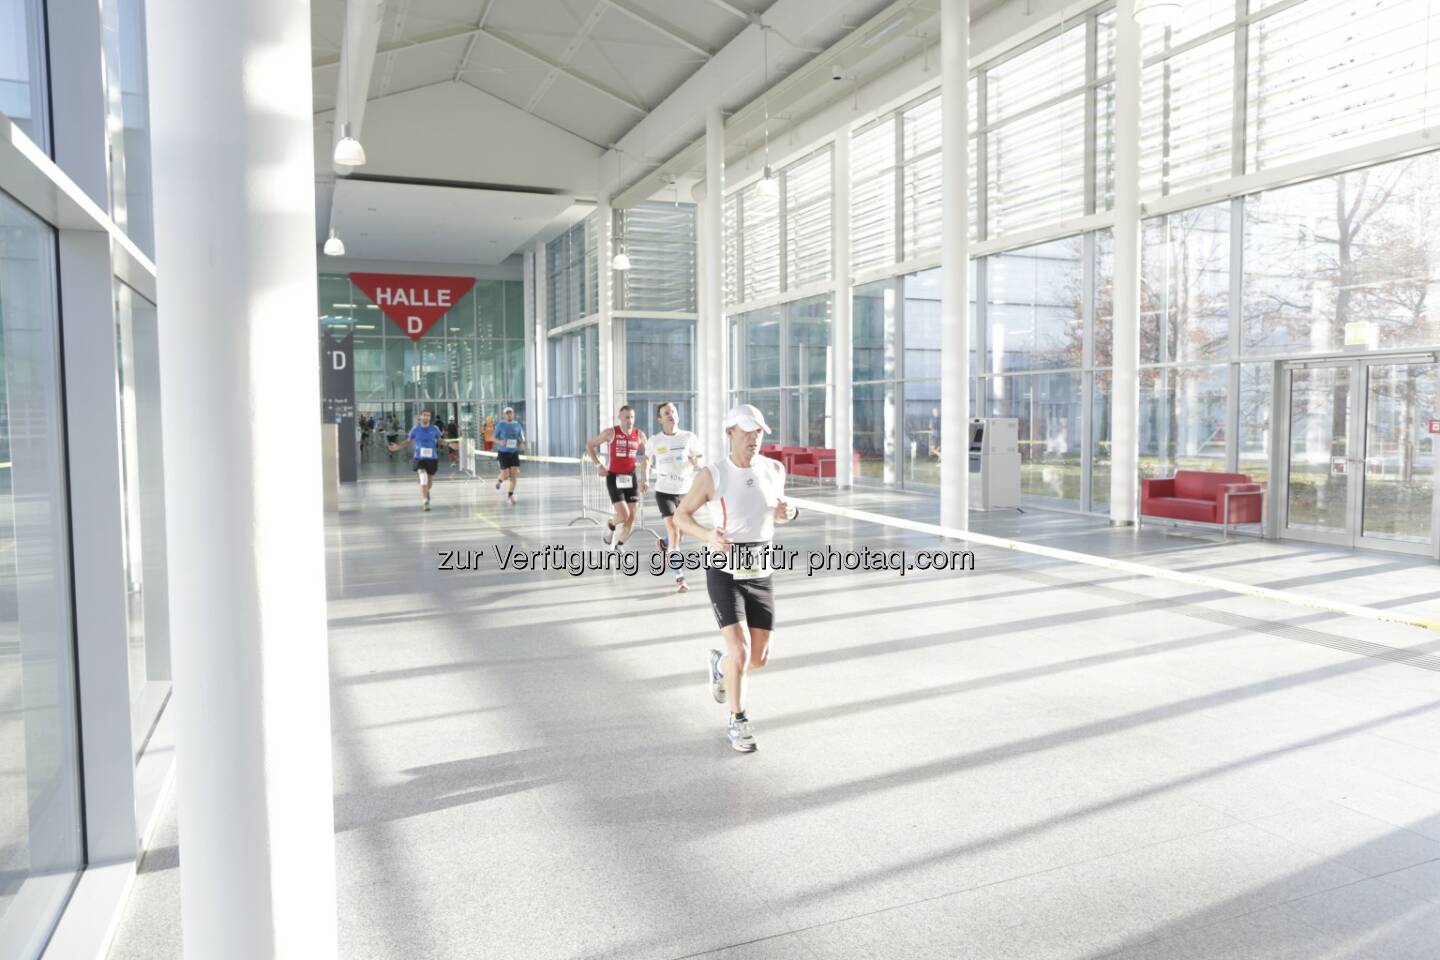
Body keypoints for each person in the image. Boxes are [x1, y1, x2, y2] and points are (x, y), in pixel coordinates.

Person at [672, 404, 797, 753]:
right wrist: (707, 536)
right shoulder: (714, 475)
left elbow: (778, 514)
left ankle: (718, 665)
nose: (754, 439)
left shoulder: (774, 469)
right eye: (747, 431)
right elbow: (681, 516)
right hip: (724, 571)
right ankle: (737, 720)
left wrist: (791, 513)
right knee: (740, 652)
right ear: (729, 433)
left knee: (758, 659)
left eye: (759, 432)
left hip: (761, 572)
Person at [646, 401, 703, 593]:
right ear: (660, 419)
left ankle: (663, 543)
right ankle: (679, 577)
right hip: (664, 491)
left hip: (685, 492)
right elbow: (646, 459)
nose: (671, 414)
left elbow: (701, 456)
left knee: (681, 533)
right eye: (666, 413)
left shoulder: (688, 437)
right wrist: (645, 478)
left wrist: (696, 460)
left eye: (673, 411)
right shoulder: (655, 440)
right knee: (675, 533)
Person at [586, 405, 649, 550]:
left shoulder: (639, 435)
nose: (630, 420)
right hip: (614, 477)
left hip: (630, 477)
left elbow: (648, 456)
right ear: (620, 418)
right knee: (623, 515)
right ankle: (611, 524)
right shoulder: (610, 432)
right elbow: (590, 445)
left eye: (632, 417)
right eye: (627, 417)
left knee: (632, 517)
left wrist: (644, 477)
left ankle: (619, 545)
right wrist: (598, 465)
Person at [389, 409, 444, 511]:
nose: (426, 417)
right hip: (419, 457)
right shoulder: (416, 429)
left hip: (432, 458)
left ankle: (426, 492)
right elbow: (408, 441)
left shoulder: (434, 428)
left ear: (430, 417)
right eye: (424, 415)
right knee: (423, 478)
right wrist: (398, 447)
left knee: (429, 483)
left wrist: (450, 445)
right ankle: (425, 502)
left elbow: (440, 440)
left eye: (428, 415)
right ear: (420, 417)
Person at [492, 407, 525, 505]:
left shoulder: (517, 425)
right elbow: (493, 438)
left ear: (513, 414)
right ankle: (500, 481)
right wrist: (500, 442)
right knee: (506, 474)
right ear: (504, 415)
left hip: (514, 453)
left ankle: (510, 496)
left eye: (510, 413)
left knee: (514, 475)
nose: (509, 415)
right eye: (507, 413)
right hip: (503, 453)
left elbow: (521, 436)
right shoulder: (500, 425)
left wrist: (522, 442)